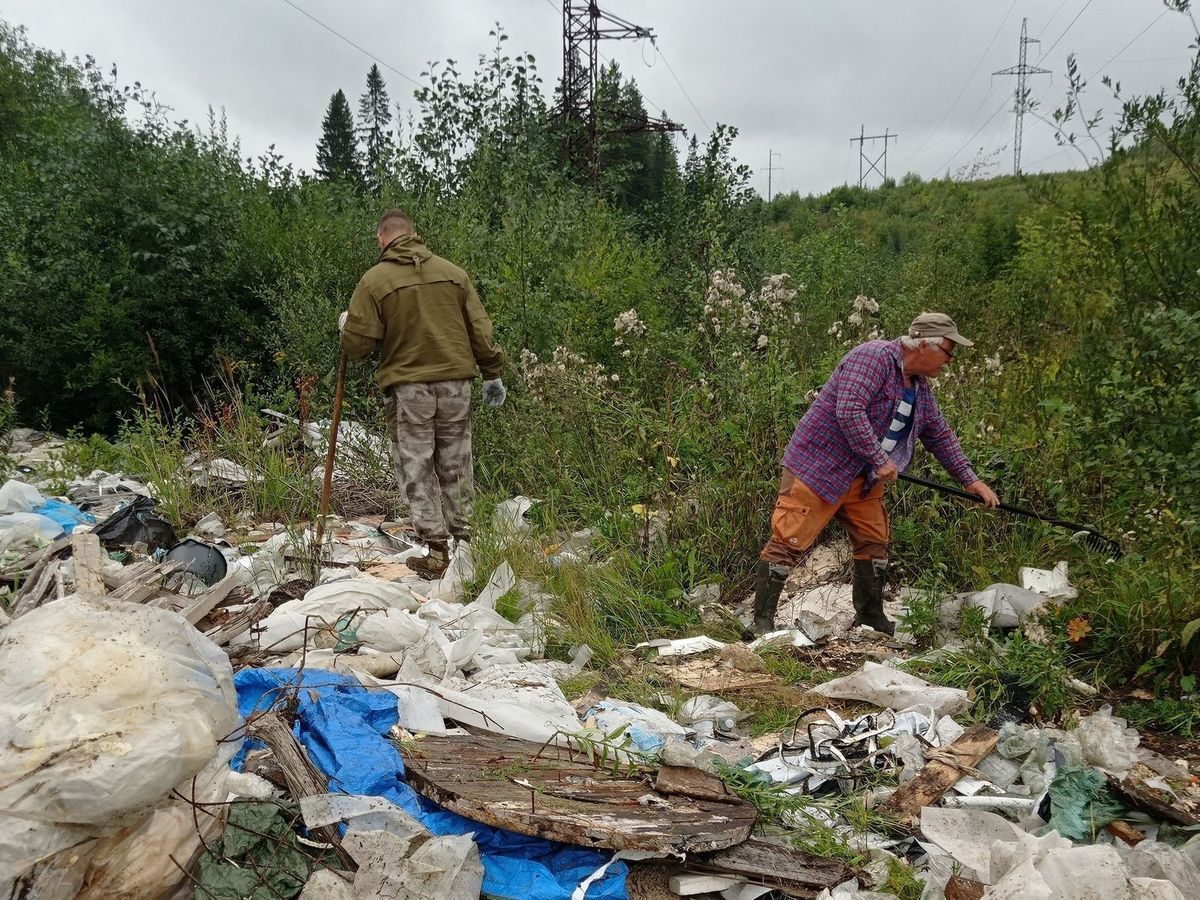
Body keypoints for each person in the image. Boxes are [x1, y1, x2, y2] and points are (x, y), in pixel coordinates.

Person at [751, 312, 999, 636]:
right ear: (925, 343)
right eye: (949, 352)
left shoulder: (920, 390)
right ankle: (760, 624)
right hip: (819, 470)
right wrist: (879, 458)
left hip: (863, 479)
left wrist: (970, 480)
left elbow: (938, 433)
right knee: (790, 538)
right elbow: (849, 410)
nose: (950, 361)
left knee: (874, 542)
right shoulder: (874, 357)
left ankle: (870, 618)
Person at [339, 209, 505, 579]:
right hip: (455, 386)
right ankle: (467, 546)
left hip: (410, 390)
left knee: (417, 466)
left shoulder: (374, 281)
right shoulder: (453, 274)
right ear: (414, 235)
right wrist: (492, 373)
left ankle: (437, 552)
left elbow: (358, 346)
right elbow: (480, 330)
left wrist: (346, 327)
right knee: (457, 463)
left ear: (382, 239)